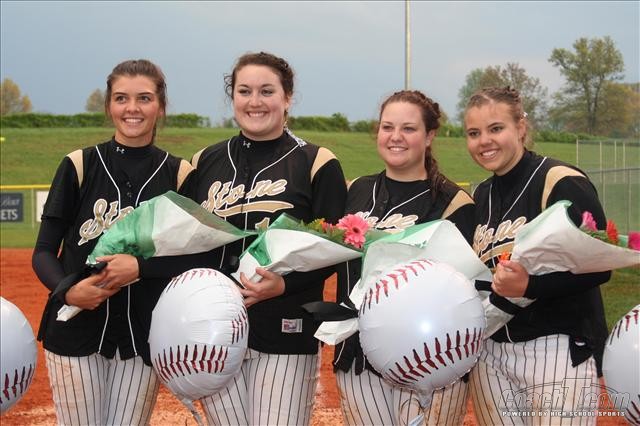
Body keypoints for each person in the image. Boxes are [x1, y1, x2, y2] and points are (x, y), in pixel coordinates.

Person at [32, 59, 195, 425]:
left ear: (161, 106)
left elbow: (195, 258)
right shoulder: (79, 164)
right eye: (121, 98)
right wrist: (67, 291)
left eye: (144, 98)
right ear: (108, 106)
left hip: (142, 333)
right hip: (75, 327)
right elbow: (43, 252)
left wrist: (141, 267)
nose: (132, 108)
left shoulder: (179, 174)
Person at [191, 51, 348, 425]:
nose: (255, 101)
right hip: (214, 330)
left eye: (267, 91)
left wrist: (285, 285)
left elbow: (337, 249)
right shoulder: (204, 161)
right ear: (233, 97)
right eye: (244, 91)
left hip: (286, 326)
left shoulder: (316, 162)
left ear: (287, 97)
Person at [463, 86, 611, 425]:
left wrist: (532, 286)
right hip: (491, 353)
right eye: (474, 133)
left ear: (520, 127)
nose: (484, 141)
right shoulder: (482, 194)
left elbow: (600, 267)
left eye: (496, 128)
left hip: (555, 347)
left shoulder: (560, 181)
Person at [333, 90, 476, 425]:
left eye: (408, 129)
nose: (395, 136)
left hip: (428, 356)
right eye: (387, 127)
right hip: (358, 355)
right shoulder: (356, 190)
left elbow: (462, 291)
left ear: (429, 136)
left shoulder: (453, 203)